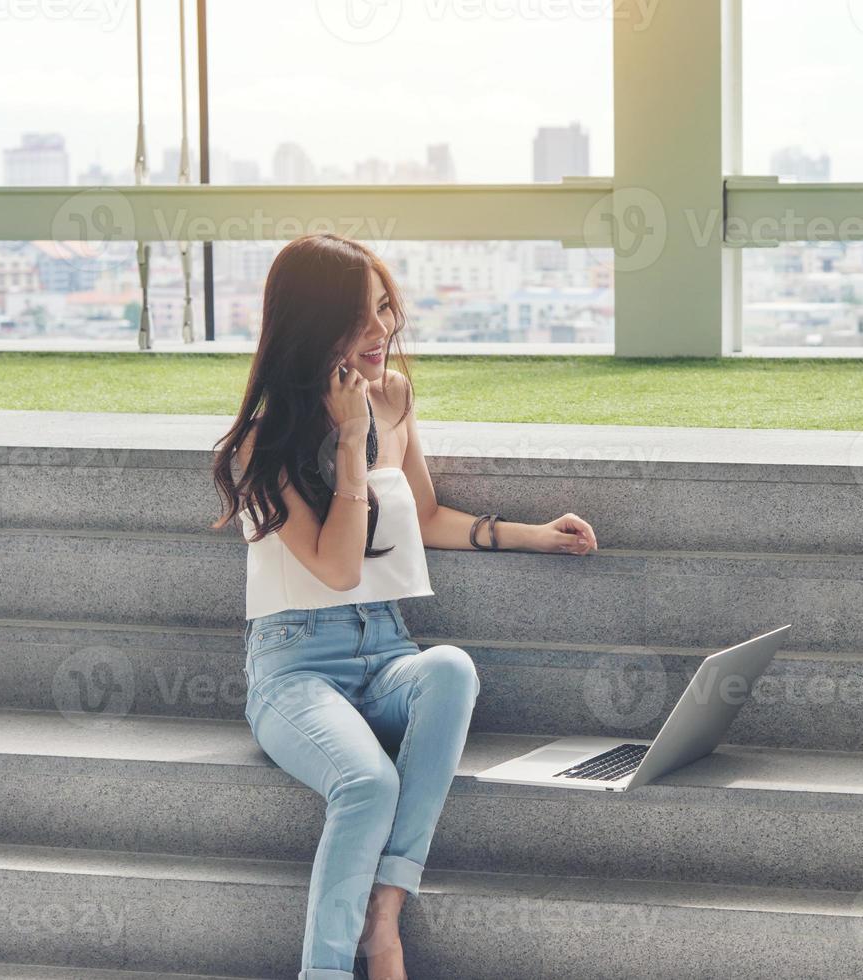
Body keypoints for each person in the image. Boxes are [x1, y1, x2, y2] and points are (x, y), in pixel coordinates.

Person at [210, 233, 598, 979]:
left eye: (385, 310)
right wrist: (353, 443)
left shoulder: (393, 400)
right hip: (296, 670)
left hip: (384, 651)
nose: (382, 332)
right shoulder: (263, 445)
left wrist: (531, 536)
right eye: (361, 318)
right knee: (367, 782)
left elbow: (421, 517)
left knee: (449, 667)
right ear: (314, 327)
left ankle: (383, 911)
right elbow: (336, 566)